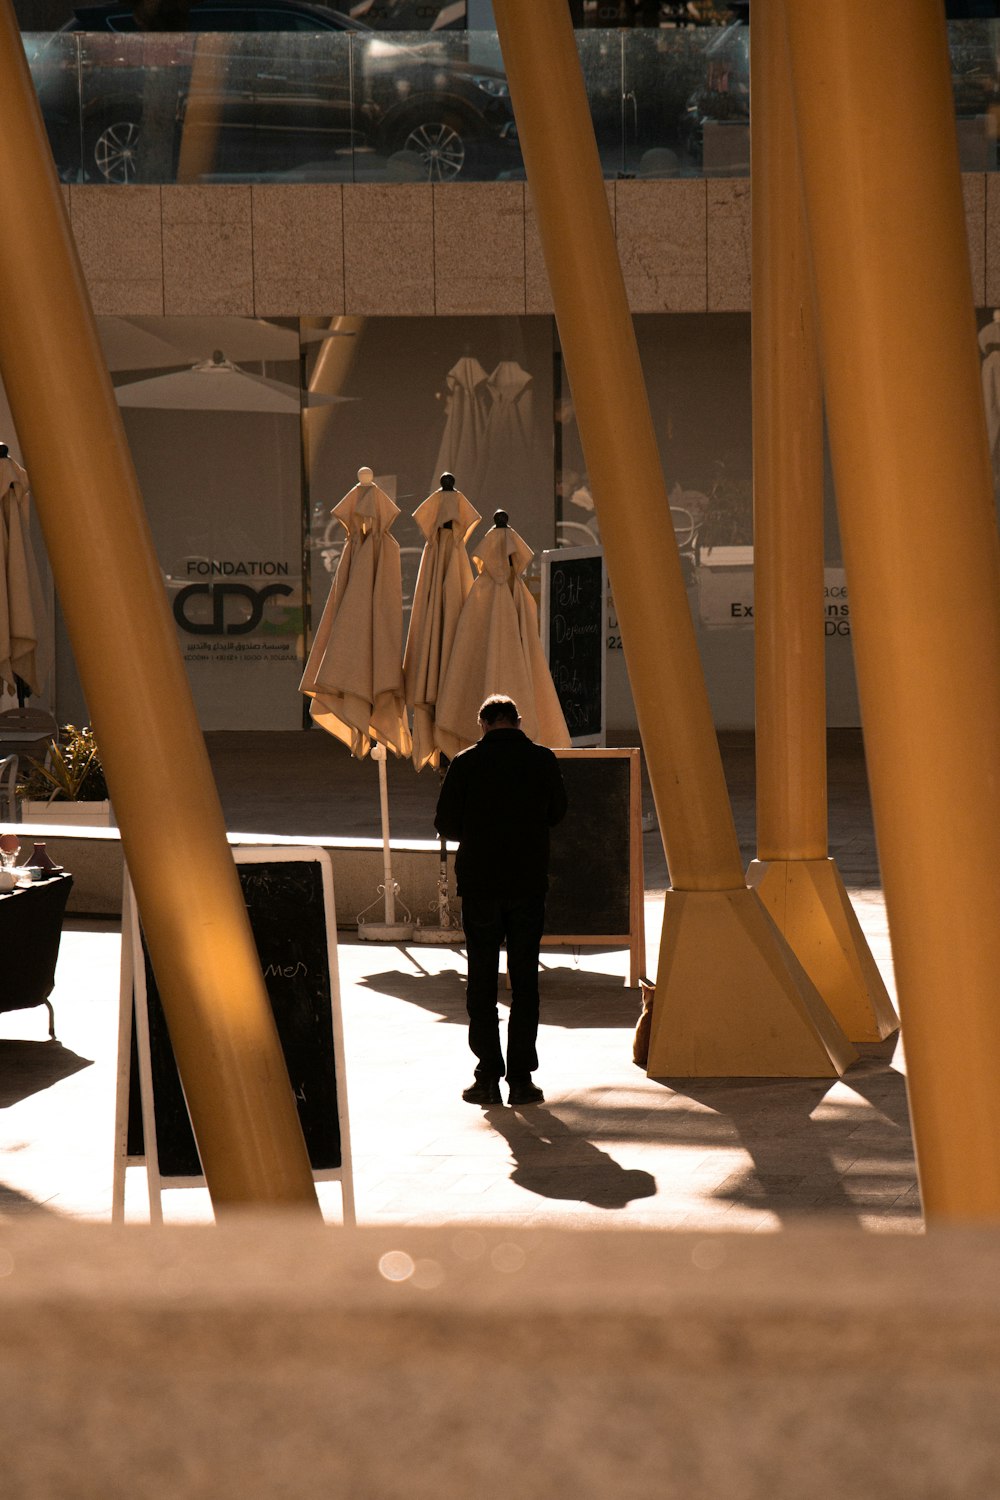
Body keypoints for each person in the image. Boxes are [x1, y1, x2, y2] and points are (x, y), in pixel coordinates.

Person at [434, 694, 568, 1107]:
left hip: (481, 884)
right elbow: (559, 812)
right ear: (517, 720)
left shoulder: (466, 762)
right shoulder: (543, 759)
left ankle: (487, 1076)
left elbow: (445, 823)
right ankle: (522, 1079)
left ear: (484, 723)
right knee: (525, 981)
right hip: (527, 883)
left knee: (482, 979)